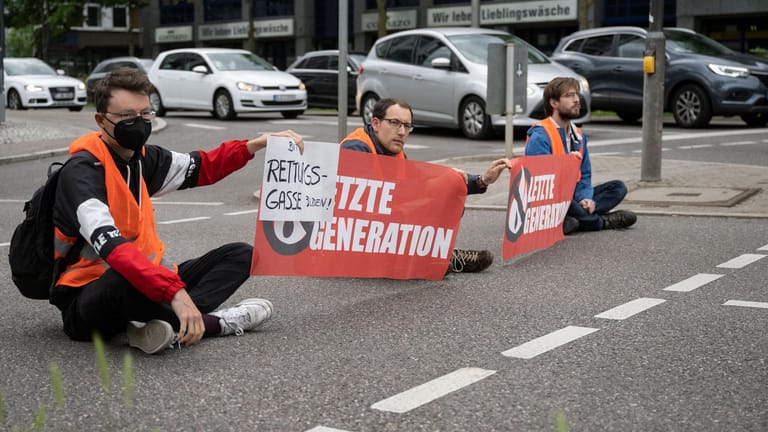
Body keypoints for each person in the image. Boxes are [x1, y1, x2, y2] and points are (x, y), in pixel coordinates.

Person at [49, 68, 304, 355]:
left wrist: (255, 145)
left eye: (146, 114)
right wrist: (175, 293)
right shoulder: (82, 173)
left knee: (242, 255)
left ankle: (161, 325)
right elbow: (112, 248)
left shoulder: (143, 159)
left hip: (150, 281)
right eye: (127, 116)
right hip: (90, 297)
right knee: (123, 277)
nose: (140, 122)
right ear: (101, 120)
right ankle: (216, 322)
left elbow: (202, 166)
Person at [341, 98, 511, 274]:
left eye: (407, 126)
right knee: (415, 204)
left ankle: (435, 255)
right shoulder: (355, 148)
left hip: (376, 234)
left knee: (447, 194)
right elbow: (367, 207)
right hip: (350, 241)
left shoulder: (393, 151)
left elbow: (420, 181)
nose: (401, 132)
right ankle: (431, 257)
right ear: (375, 123)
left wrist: (482, 180)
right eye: (394, 123)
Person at [525, 77, 637, 234]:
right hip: (550, 199)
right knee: (566, 202)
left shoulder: (578, 135)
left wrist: (585, 198)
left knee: (618, 188)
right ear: (554, 103)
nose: (577, 100)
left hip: (573, 196)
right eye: (569, 95)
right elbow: (543, 185)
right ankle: (601, 222)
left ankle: (571, 220)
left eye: (577, 95)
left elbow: (584, 174)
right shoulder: (540, 135)